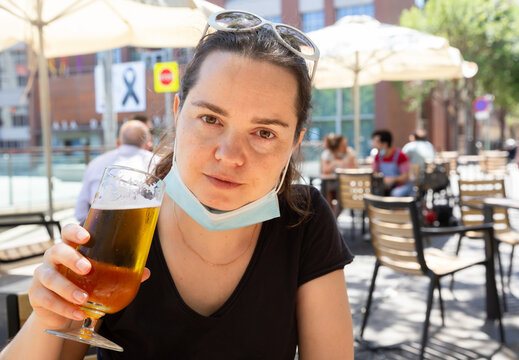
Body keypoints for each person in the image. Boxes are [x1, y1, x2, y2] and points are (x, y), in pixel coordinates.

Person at [1, 10, 354, 360]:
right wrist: (47, 315)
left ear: (294, 143)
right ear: (177, 112)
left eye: (264, 133)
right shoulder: (126, 220)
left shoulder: (303, 220)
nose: (230, 156)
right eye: (210, 119)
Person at [73, 120, 157, 223]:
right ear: (148, 146)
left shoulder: (96, 163)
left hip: (98, 229)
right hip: (143, 229)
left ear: (118, 143)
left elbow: (80, 213)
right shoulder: (157, 163)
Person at [371, 129, 413, 197]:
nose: (374, 145)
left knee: (396, 194)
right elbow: (374, 171)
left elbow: (406, 177)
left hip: (400, 187)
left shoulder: (400, 156)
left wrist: (392, 179)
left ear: (385, 144)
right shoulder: (378, 157)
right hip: (385, 187)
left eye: (376, 142)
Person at [320, 133, 356, 212]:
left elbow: (354, 170)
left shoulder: (349, 152)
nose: (346, 147)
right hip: (331, 186)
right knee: (327, 193)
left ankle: (333, 219)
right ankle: (331, 217)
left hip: (346, 185)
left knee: (342, 194)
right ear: (336, 147)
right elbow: (324, 170)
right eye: (343, 145)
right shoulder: (327, 154)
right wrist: (335, 163)